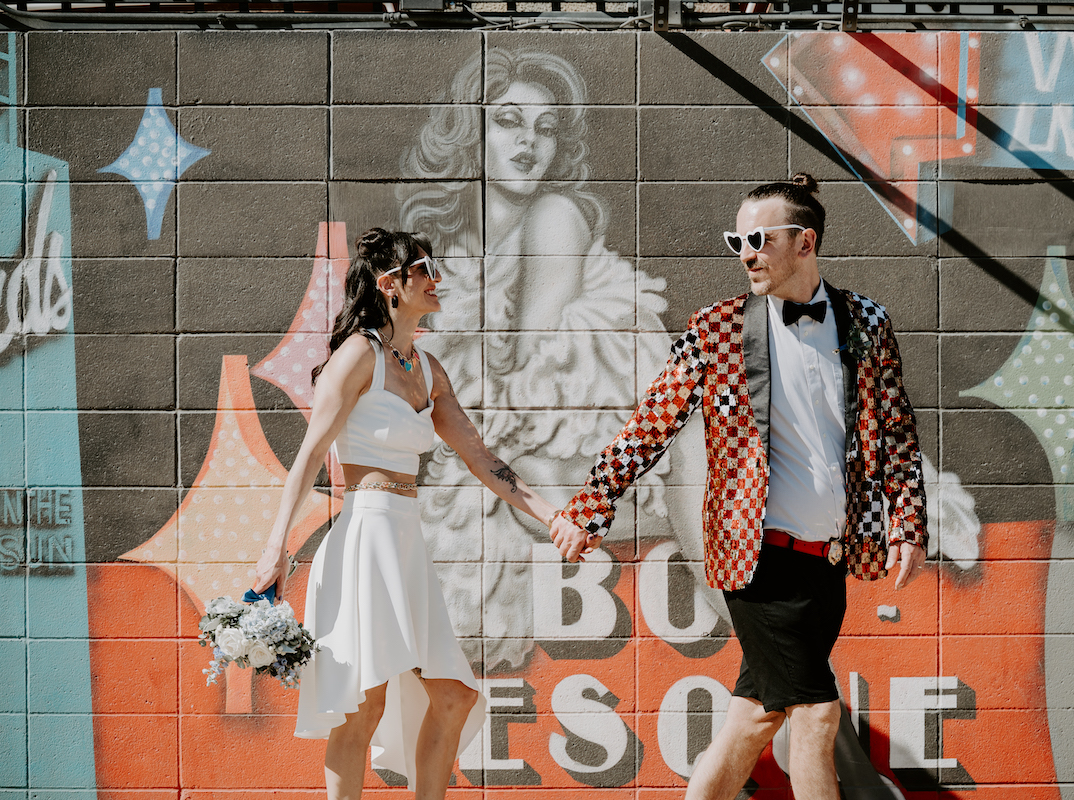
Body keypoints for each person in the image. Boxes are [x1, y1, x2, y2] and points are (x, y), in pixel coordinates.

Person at [551, 174, 929, 799]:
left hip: (826, 560)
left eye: (759, 238)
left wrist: (907, 524)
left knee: (754, 716)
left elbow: (897, 431)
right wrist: (592, 504)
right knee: (816, 714)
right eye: (738, 240)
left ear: (804, 242)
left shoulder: (864, 321)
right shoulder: (717, 329)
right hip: (756, 558)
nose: (746, 253)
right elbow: (652, 422)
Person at [253, 228, 561, 800]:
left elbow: (481, 458)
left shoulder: (427, 367)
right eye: (424, 268)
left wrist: (554, 516)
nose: (435, 277)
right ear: (389, 283)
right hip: (364, 538)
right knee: (363, 704)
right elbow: (310, 456)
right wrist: (276, 548)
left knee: (453, 695)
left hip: (405, 541)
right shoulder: (356, 356)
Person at [396, 47, 673, 671]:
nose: (529, 143)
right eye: (509, 121)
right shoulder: (449, 246)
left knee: (521, 490)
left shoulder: (554, 218)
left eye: (545, 130)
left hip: (591, 438)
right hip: (504, 446)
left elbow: (524, 368)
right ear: (472, 131)